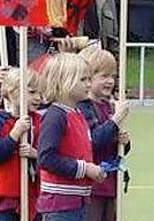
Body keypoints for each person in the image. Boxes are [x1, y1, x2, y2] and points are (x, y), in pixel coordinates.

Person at [37, 54, 106, 221]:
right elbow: (46, 157)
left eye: (89, 79)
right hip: (60, 203)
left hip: (77, 200)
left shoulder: (77, 114)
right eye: (83, 79)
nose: (88, 84)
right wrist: (85, 168)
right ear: (64, 81)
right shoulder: (55, 116)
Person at [77, 48, 130, 221]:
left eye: (113, 76)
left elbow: (116, 146)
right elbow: (94, 140)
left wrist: (124, 141)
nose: (110, 81)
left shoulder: (110, 106)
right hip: (92, 186)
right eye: (104, 76)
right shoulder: (83, 107)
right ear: (87, 78)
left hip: (110, 183)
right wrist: (115, 121)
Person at [0, 68, 42, 221]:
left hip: (32, 196)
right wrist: (15, 134)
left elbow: (48, 153)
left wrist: (35, 153)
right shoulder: (2, 121)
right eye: (32, 92)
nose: (38, 98)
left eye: (40, 93)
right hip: (5, 200)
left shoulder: (38, 120)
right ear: (12, 93)